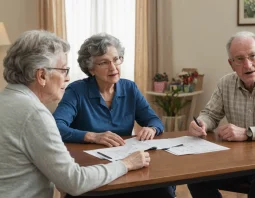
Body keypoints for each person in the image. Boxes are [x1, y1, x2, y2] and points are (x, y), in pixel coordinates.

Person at [0, 30, 153, 198]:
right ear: (42, 75)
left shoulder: (7, 100)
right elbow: (74, 182)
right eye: (64, 70)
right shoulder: (35, 114)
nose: (67, 78)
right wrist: (126, 164)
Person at [53, 33, 175, 197]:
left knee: (164, 189)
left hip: (127, 164)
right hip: (92, 170)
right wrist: (92, 136)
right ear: (91, 68)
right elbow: (55, 127)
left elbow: (154, 120)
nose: (113, 67)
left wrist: (152, 128)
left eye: (116, 59)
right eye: (104, 62)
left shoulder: (130, 88)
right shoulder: (76, 91)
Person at [187, 31, 255, 198]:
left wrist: (248, 132)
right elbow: (210, 114)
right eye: (239, 59)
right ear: (231, 63)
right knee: (195, 177)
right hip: (236, 161)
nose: (247, 65)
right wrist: (201, 123)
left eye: (253, 56)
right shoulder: (225, 83)